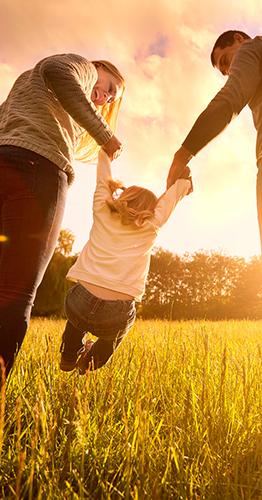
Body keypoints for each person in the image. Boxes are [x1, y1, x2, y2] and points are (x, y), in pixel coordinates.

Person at [167, 30, 262, 410]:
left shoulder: (255, 48)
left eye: (225, 61)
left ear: (239, 40)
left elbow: (230, 99)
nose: (227, 71)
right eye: (222, 68)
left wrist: (183, 152)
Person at [0, 53, 125, 382]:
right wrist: (105, 134)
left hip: (6, 160)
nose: (108, 96)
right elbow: (58, 71)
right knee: (16, 291)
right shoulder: (80, 67)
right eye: (110, 86)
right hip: (37, 170)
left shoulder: (28, 88)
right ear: (99, 68)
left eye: (113, 97)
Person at [59, 148, 192, 374]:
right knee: (112, 339)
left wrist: (105, 151)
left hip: (80, 299)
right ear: (152, 209)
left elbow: (103, 178)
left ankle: (69, 356)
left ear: (123, 196)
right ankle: (89, 363)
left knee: (77, 318)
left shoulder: (102, 209)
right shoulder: (152, 224)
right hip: (117, 311)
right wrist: (184, 182)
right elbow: (172, 198)